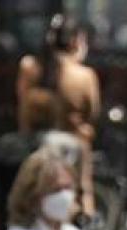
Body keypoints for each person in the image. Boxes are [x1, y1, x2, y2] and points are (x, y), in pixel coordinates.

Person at [16, 14, 100, 215]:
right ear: (76, 42)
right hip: (73, 155)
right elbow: (92, 113)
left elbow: (21, 105)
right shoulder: (84, 75)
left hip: (33, 152)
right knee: (74, 208)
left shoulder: (29, 68)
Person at [0, 89, 84, 230]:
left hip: (19, 219)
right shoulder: (69, 146)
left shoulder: (7, 146)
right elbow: (78, 190)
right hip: (52, 220)